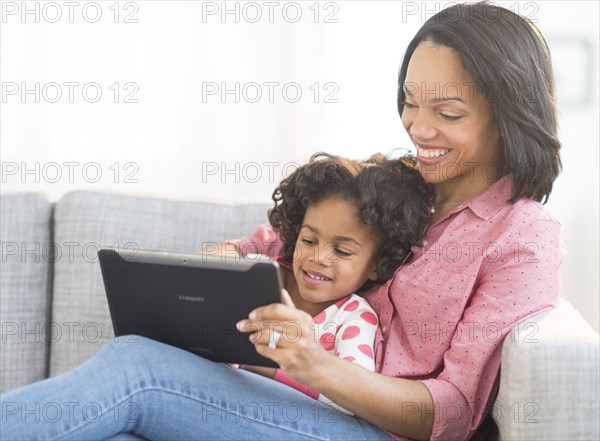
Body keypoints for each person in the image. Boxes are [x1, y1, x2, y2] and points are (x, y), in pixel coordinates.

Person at [0, 2, 564, 440]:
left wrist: (317, 366)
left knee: (136, 369)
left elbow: (455, 414)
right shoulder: (394, 185)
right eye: (410, 102)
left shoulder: (520, 236)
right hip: (292, 399)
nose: (418, 127)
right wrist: (200, 279)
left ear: (509, 116)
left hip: (370, 429)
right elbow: (264, 244)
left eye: (448, 113)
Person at [237, 153, 433, 415]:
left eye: (342, 251)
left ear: (376, 265)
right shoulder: (256, 273)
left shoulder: (355, 317)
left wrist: (268, 367)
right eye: (308, 241)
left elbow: (349, 401)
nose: (318, 258)